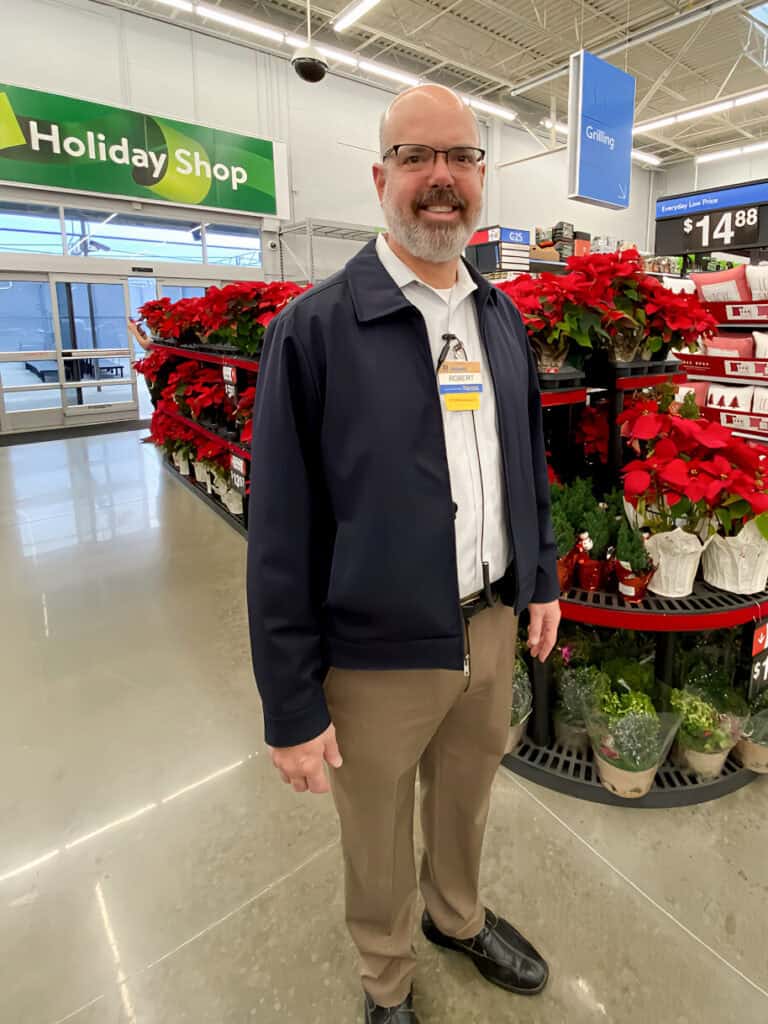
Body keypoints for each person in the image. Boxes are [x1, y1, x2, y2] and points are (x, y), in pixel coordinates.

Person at [247, 84, 561, 1024]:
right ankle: (386, 980)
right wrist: (290, 707)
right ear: (381, 177)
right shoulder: (314, 332)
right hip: (375, 656)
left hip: (491, 623)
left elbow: (526, 468)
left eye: (461, 159)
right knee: (376, 834)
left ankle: (455, 917)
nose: (442, 180)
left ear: (479, 181)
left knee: (465, 798)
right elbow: (280, 538)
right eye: (419, 159)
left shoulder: (499, 319)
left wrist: (538, 581)